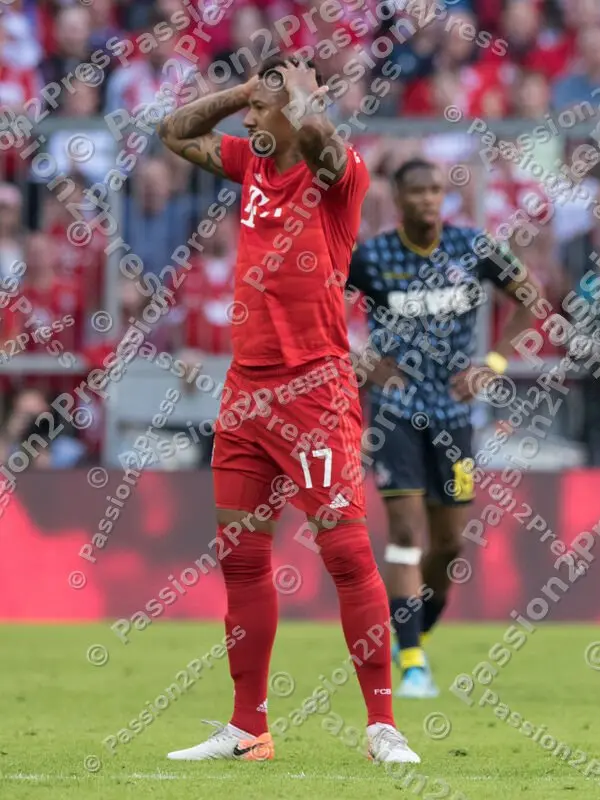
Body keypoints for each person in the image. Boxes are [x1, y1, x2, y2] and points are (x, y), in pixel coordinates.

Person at [156, 54, 419, 764]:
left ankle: (382, 726)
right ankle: (249, 729)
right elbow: (173, 132)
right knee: (241, 561)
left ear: (301, 105)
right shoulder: (251, 165)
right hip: (247, 394)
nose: (248, 119)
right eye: (251, 104)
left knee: (346, 553)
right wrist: (247, 89)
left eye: (262, 106)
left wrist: (301, 96)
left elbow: (325, 143)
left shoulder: (339, 177)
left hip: (316, 391)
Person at [346, 158, 543, 698]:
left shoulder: (471, 248)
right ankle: (411, 663)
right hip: (395, 408)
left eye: (435, 190)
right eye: (417, 192)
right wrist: (360, 360)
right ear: (397, 198)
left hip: (454, 416)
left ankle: (412, 635)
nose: (428, 200)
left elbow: (532, 299)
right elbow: (318, 308)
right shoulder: (372, 256)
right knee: (406, 532)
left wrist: (493, 364)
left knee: (450, 545)